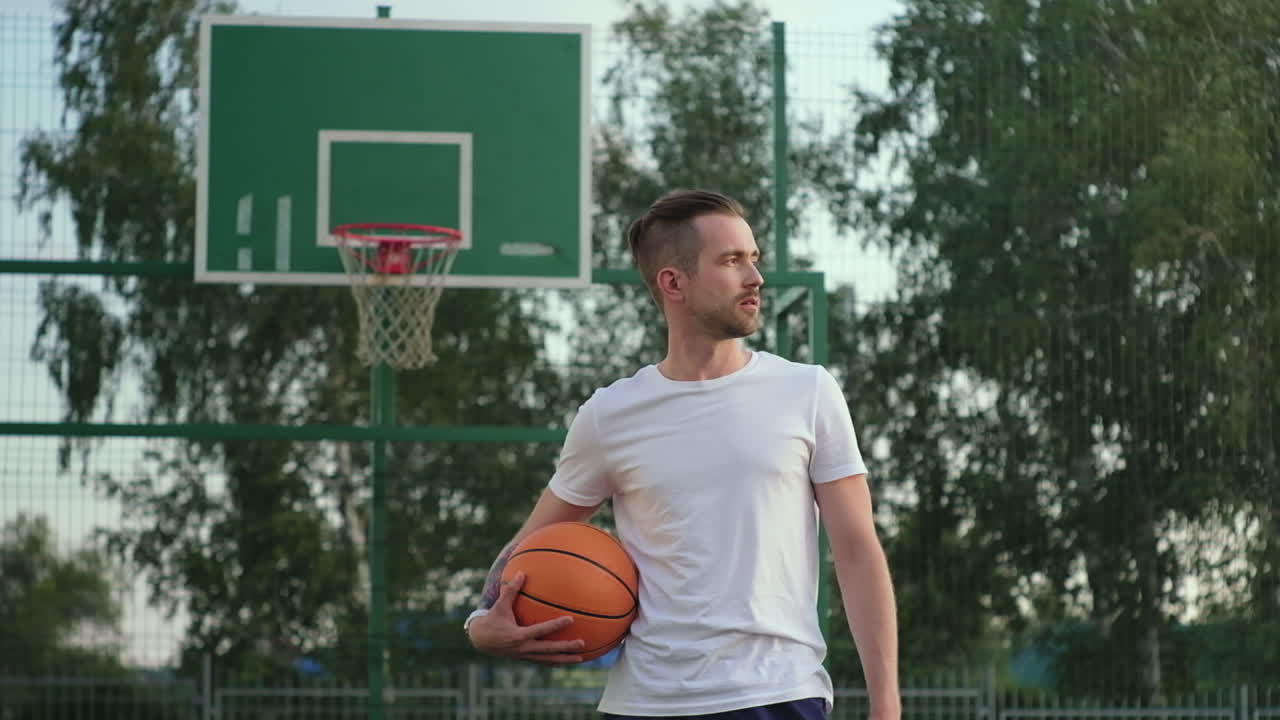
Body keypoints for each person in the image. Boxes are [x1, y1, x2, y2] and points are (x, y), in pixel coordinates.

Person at [464, 190, 900, 720]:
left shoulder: (807, 392)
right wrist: (481, 619)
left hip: (777, 693)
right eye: (731, 261)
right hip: (644, 703)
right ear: (674, 282)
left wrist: (886, 704)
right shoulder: (609, 415)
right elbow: (530, 544)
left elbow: (857, 552)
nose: (755, 278)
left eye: (754, 259)